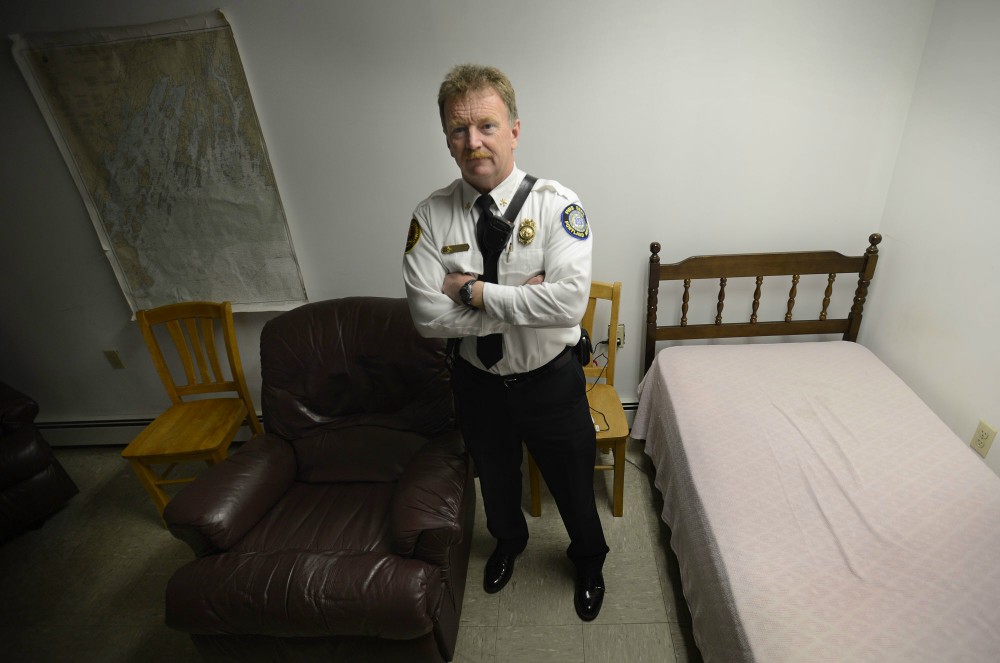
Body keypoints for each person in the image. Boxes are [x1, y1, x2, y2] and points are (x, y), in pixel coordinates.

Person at [401, 64, 609, 621]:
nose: (474, 143)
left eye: (487, 126)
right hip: (477, 385)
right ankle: (509, 544)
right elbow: (425, 315)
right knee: (495, 481)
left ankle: (589, 560)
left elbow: (567, 305)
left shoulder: (557, 206)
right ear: (446, 138)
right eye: (458, 131)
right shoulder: (431, 214)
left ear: (514, 129)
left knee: (573, 485)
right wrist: (518, 302)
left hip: (551, 383)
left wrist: (469, 292)